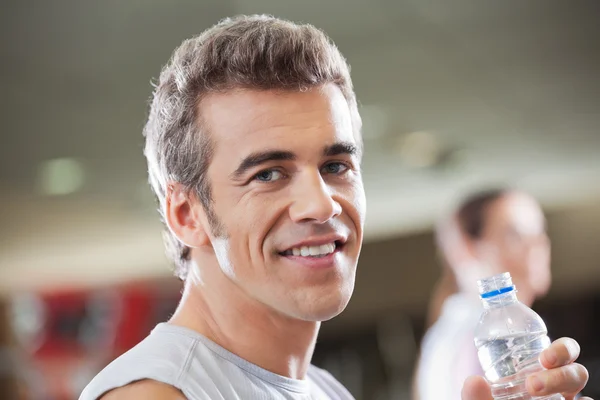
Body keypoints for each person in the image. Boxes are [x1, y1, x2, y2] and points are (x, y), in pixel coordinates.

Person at [80, 16, 590, 400]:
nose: (322, 203)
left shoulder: (324, 390)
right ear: (187, 215)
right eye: (269, 174)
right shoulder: (156, 394)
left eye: (335, 166)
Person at [415, 189, 569, 400]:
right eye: (515, 235)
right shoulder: (494, 333)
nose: (537, 245)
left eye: (540, 231)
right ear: (467, 247)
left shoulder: (447, 331)